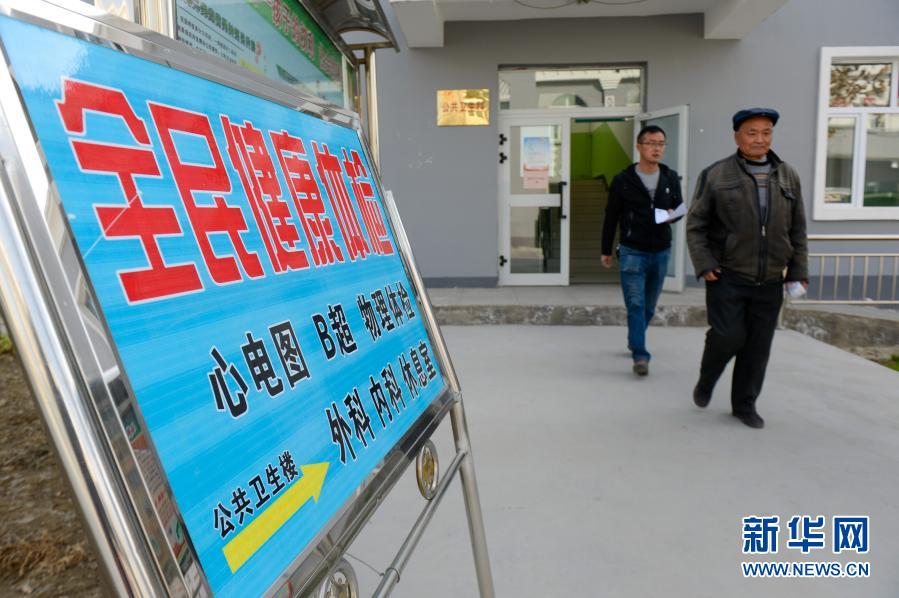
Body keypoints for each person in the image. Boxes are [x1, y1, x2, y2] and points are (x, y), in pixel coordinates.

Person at [686, 108, 808, 429]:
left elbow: (798, 228)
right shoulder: (716, 175)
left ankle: (744, 405)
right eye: (752, 133)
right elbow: (696, 225)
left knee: (757, 348)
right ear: (737, 136)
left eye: (766, 132)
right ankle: (707, 379)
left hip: (770, 279)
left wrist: (798, 271)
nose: (760, 139)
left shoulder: (788, 175)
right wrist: (704, 263)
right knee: (727, 336)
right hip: (727, 275)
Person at [601, 125, 684, 376]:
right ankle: (640, 354)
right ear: (639, 147)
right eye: (651, 143)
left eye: (661, 143)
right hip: (632, 251)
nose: (657, 148)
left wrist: (669, 216)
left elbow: (680, 208)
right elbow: (611, 216)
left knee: (648, 306)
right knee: (635, 304)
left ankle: (634, 338)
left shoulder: (670, 177)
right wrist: (606, 249)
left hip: (661, 251)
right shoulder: (623, 180)